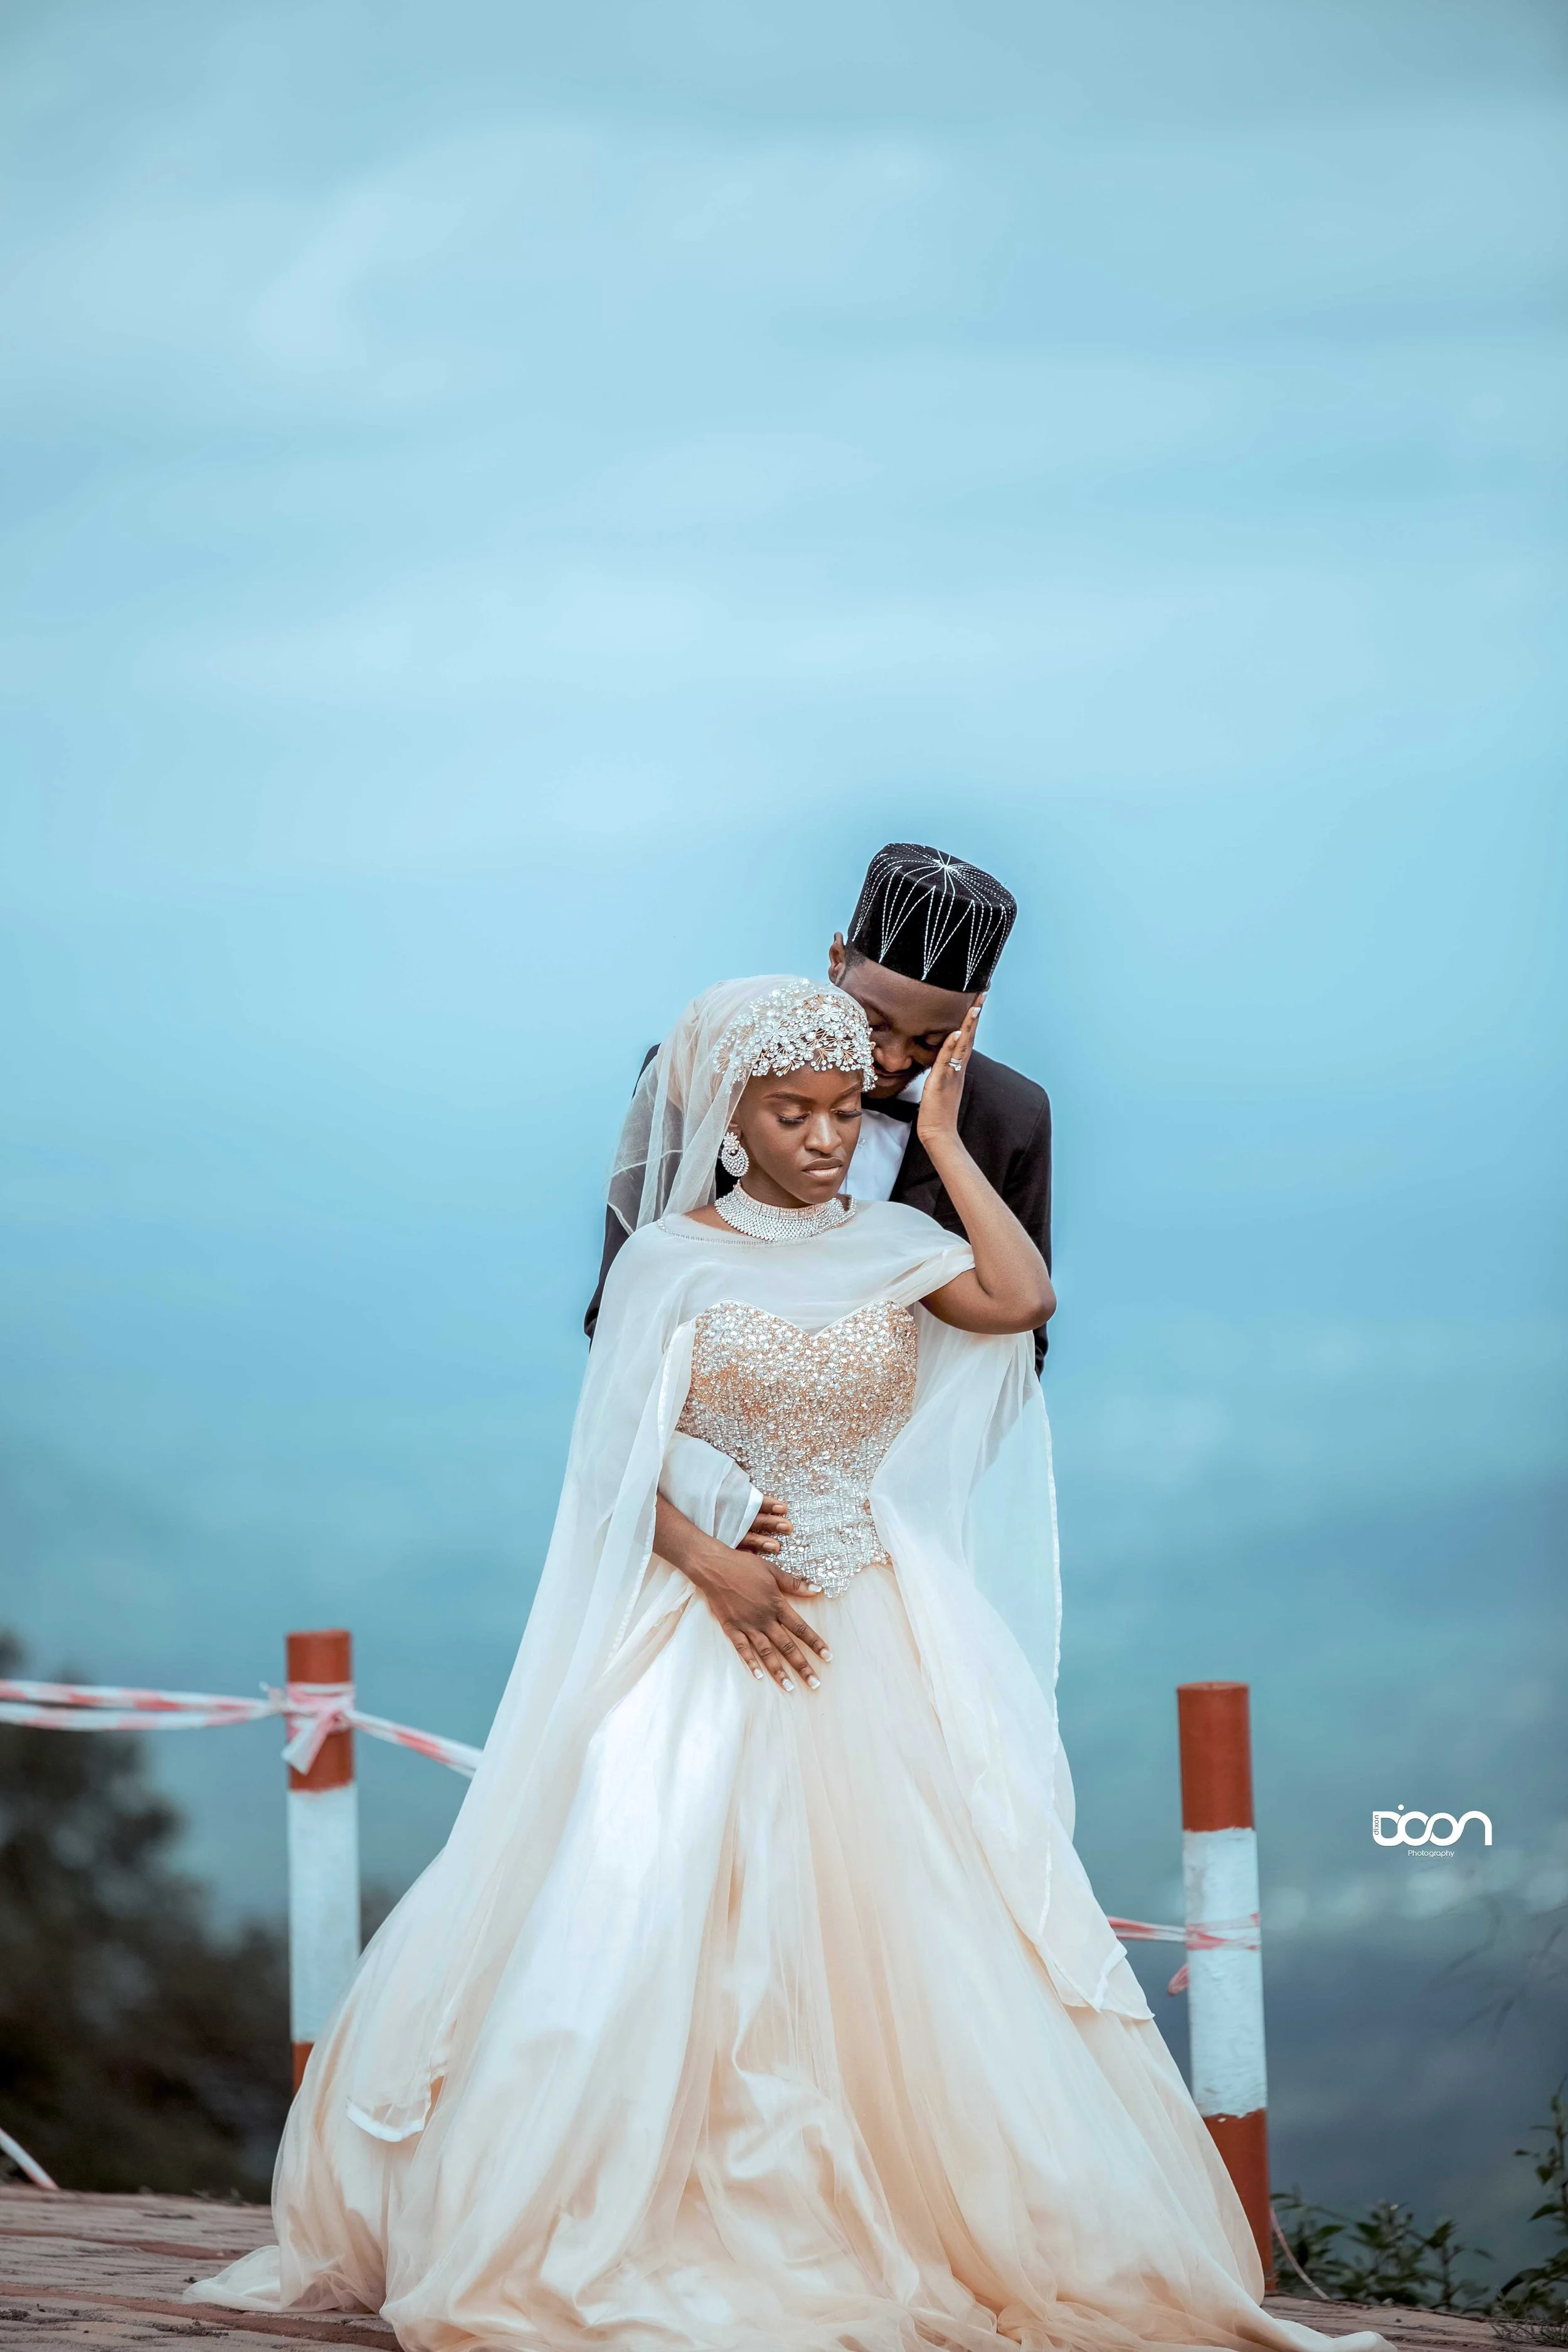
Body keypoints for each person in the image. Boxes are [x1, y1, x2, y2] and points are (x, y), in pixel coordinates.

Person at [190, 975, 1385, 2352]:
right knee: (650, 1918)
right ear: (727, 1117)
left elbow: (1021, 1291)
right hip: (705, 1635)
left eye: (839, 1110)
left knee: (908, 1942)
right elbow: (604, 1469)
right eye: (790, 1111)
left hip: (869, 1636)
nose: (823, 1137)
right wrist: (713, 1566)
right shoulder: (666, 1264)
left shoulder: (889, 1243)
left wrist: (935, 1137)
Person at [586, 842, 1055, 1371]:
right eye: (874, 1021)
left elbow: (1023, 1347)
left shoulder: (1012, 1116)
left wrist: (941, 1138)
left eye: (931, 1040)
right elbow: (620, 1312)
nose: (893, 1057)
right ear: (837, 961)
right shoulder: (712, 1067)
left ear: (976, 1008)